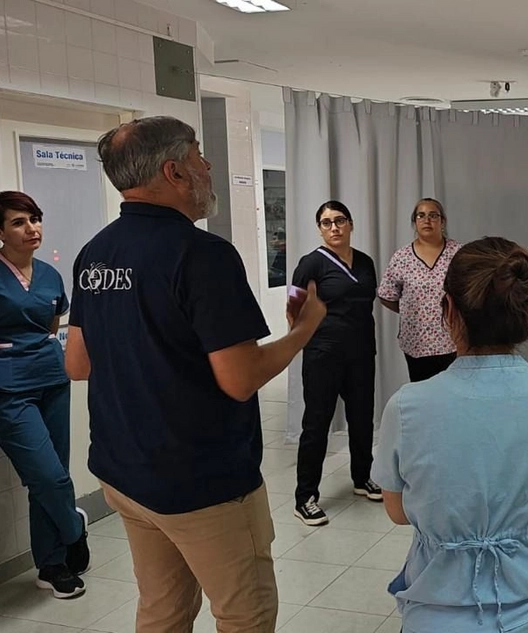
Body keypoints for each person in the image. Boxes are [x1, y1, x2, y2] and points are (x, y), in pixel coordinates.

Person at [64, 116, 326, 632]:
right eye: (198, 155)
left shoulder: (96, 253)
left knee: (163, 609)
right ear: (174, 171)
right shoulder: (202, 255)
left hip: (123, 471)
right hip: (200, 481)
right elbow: (240, 379)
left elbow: (78, 364)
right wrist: (303, 330)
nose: (207, 165)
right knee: (245, 615)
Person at [373, 237, 528, 632]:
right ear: (527, 313)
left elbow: (398, 512)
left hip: (443, 614)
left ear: (449, 309)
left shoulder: (407, 406)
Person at [0, 191, 89, 599]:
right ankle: (73, 529)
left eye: (35, 219)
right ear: (1, 231)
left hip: (52, 379)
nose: (32, 228)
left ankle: (51, 566)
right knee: (48, 476)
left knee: (53, 475)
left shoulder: (51, 275)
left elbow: (51, 328)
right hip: (8, 390)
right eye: (19, 222)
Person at [291, 200, 380, 527]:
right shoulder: (311, 264)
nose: (334, 227)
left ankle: (362, 477)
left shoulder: (365, 262)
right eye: (326, 222)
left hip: (361, 353)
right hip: (323, 355)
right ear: (319, 229)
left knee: (362, 418)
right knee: (316, 424)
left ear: (351, 224)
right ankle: (305, 497)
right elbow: (293, 308)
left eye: (340, 220)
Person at [379, 198, 460, 382]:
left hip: (453, 342)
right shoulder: (402, 257)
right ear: (414, 222)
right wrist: (411, 310)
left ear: (442, 221)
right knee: (422, 394)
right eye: (421, 216)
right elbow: (386, 295)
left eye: (433, 215)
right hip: (416, 342)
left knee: (452, 393)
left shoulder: (458, 253)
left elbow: (471, 292)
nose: (427, 220)